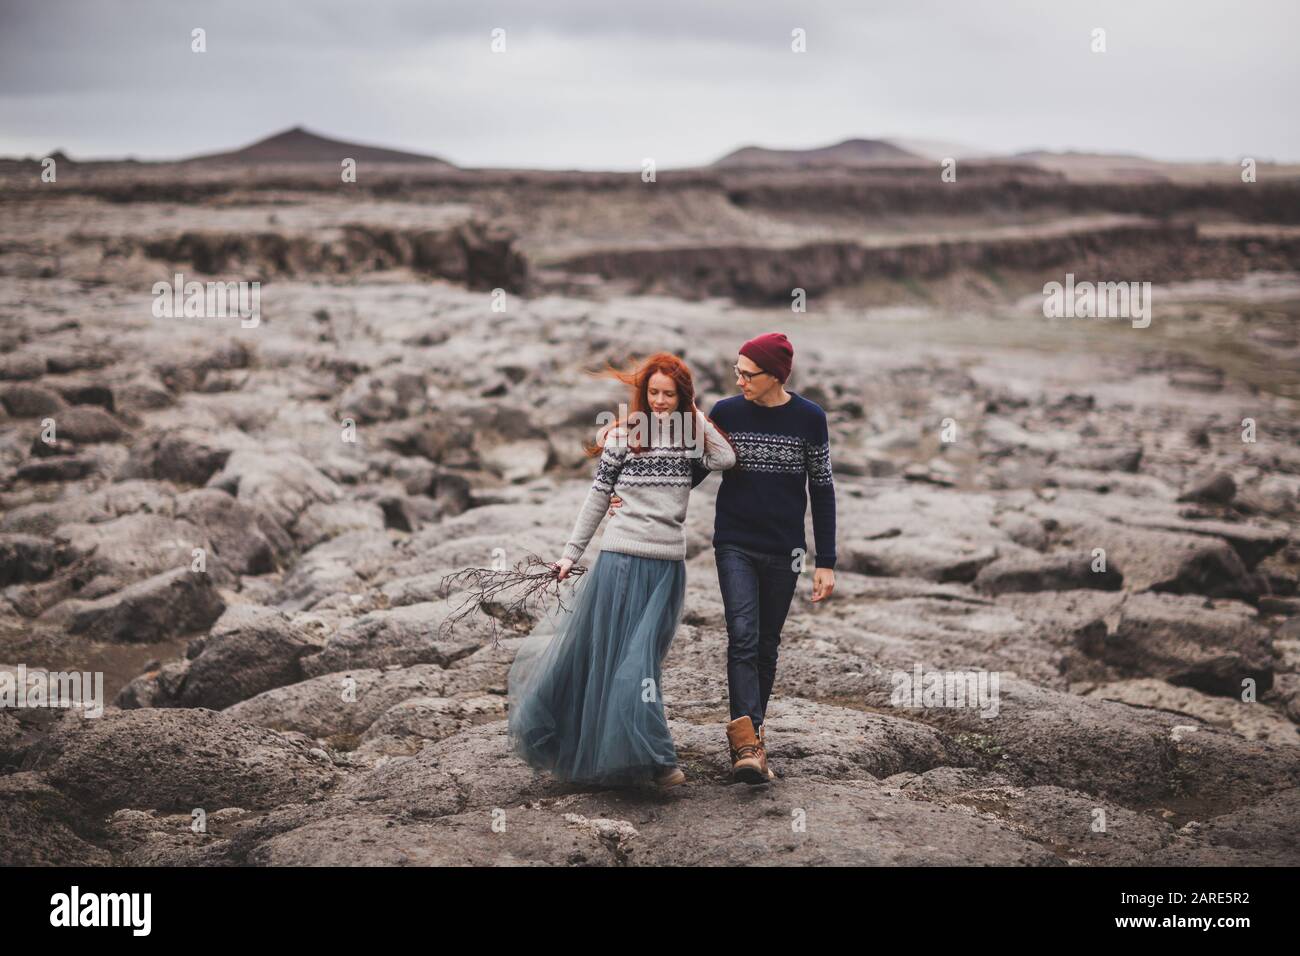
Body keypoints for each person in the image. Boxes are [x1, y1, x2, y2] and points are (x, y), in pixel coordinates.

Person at [606, 332, 836, 784]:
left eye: (748, 374)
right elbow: (685, 469)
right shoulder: (727, 412)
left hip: (786, 549)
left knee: (767, 643)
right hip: (734, 542)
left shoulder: (811, 419)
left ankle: (754, 731)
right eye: (737, 371)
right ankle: (745, 746)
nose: (739, 380)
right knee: (744, 636)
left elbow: (822, 488)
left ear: (776, 376)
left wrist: (825, 560)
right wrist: (628, 493)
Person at [507, 352, 736, 791]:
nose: (661, 401)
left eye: (670, 394)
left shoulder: (691, 437)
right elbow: (597, 498)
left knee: (641, 659)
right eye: (654, 393)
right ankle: (655, 760)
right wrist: (570, 555)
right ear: (643, 394)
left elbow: (725, 458)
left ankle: (626, 753)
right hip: (620, 560)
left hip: (667, 564)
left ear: (683, 396)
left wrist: (696, 417)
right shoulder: (623, 437)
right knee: (623, 662)